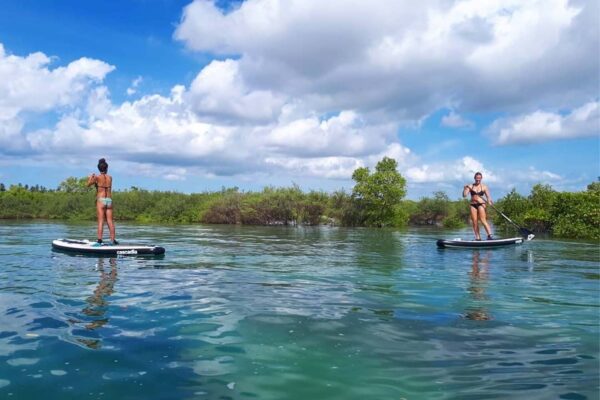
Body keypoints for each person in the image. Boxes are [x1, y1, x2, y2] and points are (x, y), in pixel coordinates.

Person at [87, 158, 118, 245]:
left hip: (101, 200)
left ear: (98, 168)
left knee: (101, 221)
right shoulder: (110, 178)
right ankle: (112, 240)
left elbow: (88, 185)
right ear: (106, 168)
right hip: (109, 200)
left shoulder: (97, 177)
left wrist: (91, 177)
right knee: (110, 221)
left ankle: (100, 240)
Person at [463, 172, 493, 240]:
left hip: (481, 204)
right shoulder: (470, 186)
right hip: (473, 204)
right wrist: (464, 189)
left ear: (481, 178)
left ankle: (489, 236)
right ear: (474, 178)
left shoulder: (484, 187)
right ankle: (478, 237)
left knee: (483, 220)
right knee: (474, 221)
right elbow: (464, 195)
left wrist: (489, 202)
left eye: (479, 178)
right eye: (477, 178)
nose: (478, 180)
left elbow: (488, 197)